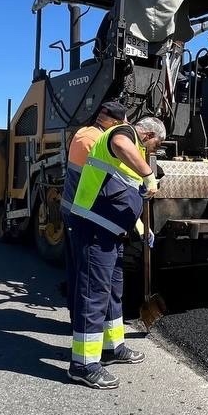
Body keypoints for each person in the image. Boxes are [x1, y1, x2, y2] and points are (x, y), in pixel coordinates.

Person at [66, 116, 166, 389]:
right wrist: (148, 175)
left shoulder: (127, 156)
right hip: (93, 228)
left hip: (111, 232)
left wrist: (142, 228)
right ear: (146, 135)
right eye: (154, 146)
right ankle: (83, 365)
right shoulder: (123, 134)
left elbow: (124, 194)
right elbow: (122, 144)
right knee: (94, 292)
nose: (150, 153)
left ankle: (113, 347)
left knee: (113, 291)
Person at [60, 100, 128, 305]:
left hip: (73, 206)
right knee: (85, 271)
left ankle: (75, 312)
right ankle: (79, 321)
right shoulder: (98, 141)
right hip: (83, 212)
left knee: (76, 266)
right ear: (114, 123)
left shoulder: (84, 132)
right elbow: (119, 175)